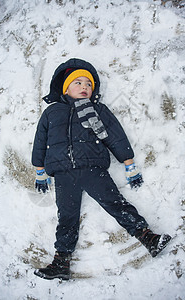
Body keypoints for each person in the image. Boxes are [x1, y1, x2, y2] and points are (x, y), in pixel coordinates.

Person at [31, 58, 171, 281]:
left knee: (116, 203)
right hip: (63, 174)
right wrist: (39, 169)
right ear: (66, 88)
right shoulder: (51, 112)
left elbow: (115, 135)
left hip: (93, 169)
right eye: (78, 83)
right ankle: (61, 262)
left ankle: (148, 237)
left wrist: (128, 162)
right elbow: (40, 140)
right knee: (66, 217)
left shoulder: (97, 110)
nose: (84, 87)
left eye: (88, 84)